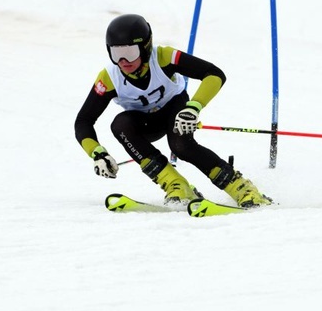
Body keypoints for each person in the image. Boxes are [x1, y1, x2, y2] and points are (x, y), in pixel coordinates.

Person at [74, 13, 272, 208]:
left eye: (130, 52)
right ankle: (177, 186)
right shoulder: (109, 77)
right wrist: (97, 153)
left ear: (145, 47)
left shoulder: (163, 57)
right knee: (120, 124)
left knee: (181, 145)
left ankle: (242, 188)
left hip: (175, 110)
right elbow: (83, 121)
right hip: (144, 124)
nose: (124, 61)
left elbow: (214, 74)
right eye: (116, 53)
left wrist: (194, 107)